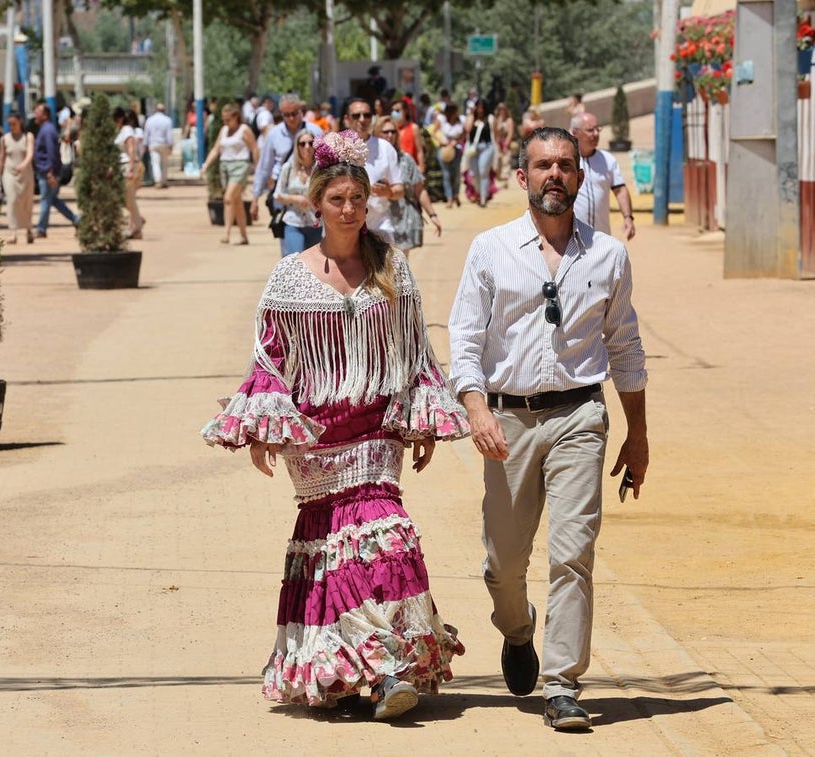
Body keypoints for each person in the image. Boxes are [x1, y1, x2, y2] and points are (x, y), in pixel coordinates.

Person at [201, 129, 469, 720]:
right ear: (315, 204)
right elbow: (270, 357)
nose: (348, 209)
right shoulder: (290, 278)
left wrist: (419, 422)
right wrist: (266, 431)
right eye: (336, 200)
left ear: (367, 202)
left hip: (376, 432)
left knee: (386, 536)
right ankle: (344, 677)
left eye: (357, 199)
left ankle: (387, 667)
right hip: (318, 437)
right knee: (327, 549)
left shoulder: (393, 269)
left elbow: (415, 352)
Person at [447, 126, 649, 731]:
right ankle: (516, 628)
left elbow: (626, 346)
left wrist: (637, 435)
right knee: (503, 562)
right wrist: (476, 408)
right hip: (506, 419)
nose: (554, 174)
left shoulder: (609, 255)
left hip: (580, 415)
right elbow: (464, 337)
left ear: (582, 177)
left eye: (565, 164)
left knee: (573, 553)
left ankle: (563, 684)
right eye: (542, 165)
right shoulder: (490, 248)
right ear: (523, 177)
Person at [250, 93, 323, 252]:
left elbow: (325, 163)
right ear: (281, 114)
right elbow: (264, 167)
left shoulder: (315, 131)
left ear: (301, 111)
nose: (291, 118)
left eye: (294, 113)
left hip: (311, 192)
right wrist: (255, 197)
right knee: (289, 248)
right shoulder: (274, 135)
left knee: (315, 250)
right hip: (282, 193)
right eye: (286, 115)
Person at [341, 98, 403, 244]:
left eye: (367, 115)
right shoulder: (334, 148)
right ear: (346, 119)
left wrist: (388, 192)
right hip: (343, 228)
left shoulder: (385, 148)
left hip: (379, 226)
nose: (362, 120)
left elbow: (400, 189)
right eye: (356, 115)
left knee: (386, 266)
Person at [376, 117, 441, 255]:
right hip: (376, 221)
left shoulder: (406, 159)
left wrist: (432, 214)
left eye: (393, 132)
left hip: (402, 221)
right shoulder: (369, 159)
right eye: (385, 132)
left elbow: (419, 189)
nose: (390, 135)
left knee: (399, 266)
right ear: (377, 134)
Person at [570, 113, 636, 241]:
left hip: (601, 238)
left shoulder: (607, 159)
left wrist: (628, 217)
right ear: (575, 132)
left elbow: (620, 190)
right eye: (590, 130)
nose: (595, 134)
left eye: (597, 129)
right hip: (571, 239)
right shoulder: (566, 161)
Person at [201, 102, 258, 245]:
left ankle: (226, 233)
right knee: (236, 201)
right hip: (225, 166)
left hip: (240, 165)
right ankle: (244, 236)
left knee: (228, 198)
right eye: (223, 119)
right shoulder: (224, 130)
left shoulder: (244, 129)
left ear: (236, 117)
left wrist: (258, 170)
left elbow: (254, 149)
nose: (225, 122)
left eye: (228, 119)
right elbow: (216, 149)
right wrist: (206, 165)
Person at [32, 103, 79, 237]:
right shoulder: (46, 129)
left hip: (48, 172)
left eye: (37, 112)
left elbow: (52, 153)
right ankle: (76, 219)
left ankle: (41, 229)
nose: (35, 114)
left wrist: (50, 173)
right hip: (46, 172)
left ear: (45, 115)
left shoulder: (47, 130)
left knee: (46, 200)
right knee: (52, 200)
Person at [271, 128, 320, 255]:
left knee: (314, 267)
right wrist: (296, 199)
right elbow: (277, 194)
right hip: (293, 222)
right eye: (302, 144)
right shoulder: (288, 168)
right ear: (297, 147)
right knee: (296, 261)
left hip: (316, 224)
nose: (307, 147)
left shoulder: (321, 169)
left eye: (311, 143)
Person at [0, 112, 36, 244]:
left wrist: (23, 165)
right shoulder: (4, 139)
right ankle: (13, 232)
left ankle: (29, 229)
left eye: (14, 124)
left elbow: (30, 154)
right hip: (9, 173)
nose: (11, 126)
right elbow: (1, 158)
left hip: (26, 174)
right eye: (9, 124)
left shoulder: (28, 137)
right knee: (12, 201)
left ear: (20, 123)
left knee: (27, 202)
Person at [112, 107, 145, 239]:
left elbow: (131, 149)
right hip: (121, 166)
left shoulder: (127, 131)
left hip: (128, 166)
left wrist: (131, 168)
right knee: (126, 198)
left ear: (119, 119)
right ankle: (136, 224)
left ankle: (136, 227)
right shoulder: (120, 131)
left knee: (128, 198)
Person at [462, 98, 497, 207]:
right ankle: (478, 192)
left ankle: (483, 198)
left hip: (487, 147)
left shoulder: (490, 119)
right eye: (478, 107)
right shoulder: (471, 118)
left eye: (482, 107)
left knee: (483, 172)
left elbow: (495, 135)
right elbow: (467, 129)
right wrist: (472, 115)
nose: (480, 110)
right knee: (473, 174)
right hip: (473, 148)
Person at [437, 104, 465, 208]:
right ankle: (449, 198)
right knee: (446, 174)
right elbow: (434, 131)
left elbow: (464, 134)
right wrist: (441, 140)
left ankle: (456, 195)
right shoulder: (442, 121)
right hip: (444, 150)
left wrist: (457, 141)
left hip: (456, 150)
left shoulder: (461, 121)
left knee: (456, 174)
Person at [144, 102, 174, 189]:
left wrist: (145, 144)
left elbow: (146, 133)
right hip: (163, 144)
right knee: (164, 163)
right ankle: (164, 181)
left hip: (153, 144)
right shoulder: (167, 120)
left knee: (155, 163)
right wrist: (170, 145)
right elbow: (169, 135)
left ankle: (158, 181)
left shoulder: (150, 120)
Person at [390, 96, 425, 172]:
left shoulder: (413, 128)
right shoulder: (391, 130)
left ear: (405, 111)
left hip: (412, 170)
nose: (394, 113)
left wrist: (421, 168)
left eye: (397, 110)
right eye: (393, 111)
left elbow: (419, 150)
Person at [492, 102, 517, 184]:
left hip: (506, 141)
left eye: (503, 110)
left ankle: (506, 179)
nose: (502, 112)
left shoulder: (509, 120)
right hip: (498, 142)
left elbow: (510, 132)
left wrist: (506, 143)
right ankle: (498, 178)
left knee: (506, 160)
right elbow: (495, 132)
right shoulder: (496, 120)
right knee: (498, 160)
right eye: (500, 110)